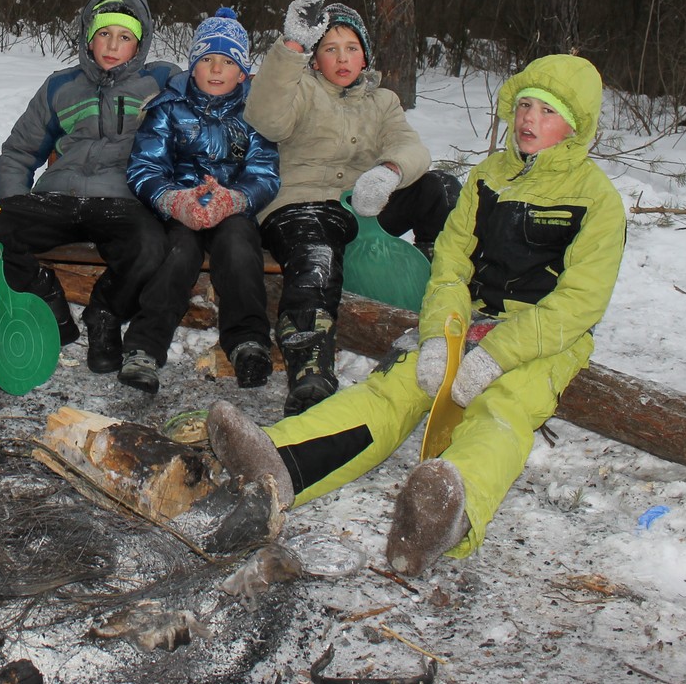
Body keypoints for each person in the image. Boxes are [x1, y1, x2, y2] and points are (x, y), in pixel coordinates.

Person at [208, 54, 626, 577]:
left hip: (540, 336)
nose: (528, 120)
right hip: (466, 316)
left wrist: (496, 354)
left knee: (501, 410)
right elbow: (450, 263)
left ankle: (447, 515)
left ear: (574, 126)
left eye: (546, 111)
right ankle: (281, 460)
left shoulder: (596, 200)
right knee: (393, 386)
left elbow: (581, 302)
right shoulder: (489, 176)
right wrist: (437, 335)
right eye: (523, 106)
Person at [245, 0, 460, 416]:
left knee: (441, 188)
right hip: (303, 204)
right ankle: (310, 362)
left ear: (365, 57)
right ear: (315, 58)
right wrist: (290, 48)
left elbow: (408, 145)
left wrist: (390, 171)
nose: (342, 59)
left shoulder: (383, 101)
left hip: (364, 204)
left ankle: (444, 289)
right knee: (317, 255)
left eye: (352, 48)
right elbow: (265, 119)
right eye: (330, 49)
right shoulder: (299, 88)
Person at [0, 0, 175, 373]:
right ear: (88, 36)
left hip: (122, 201)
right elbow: (18, 153)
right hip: (57, 198)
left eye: (124, 36)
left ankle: (105, 313)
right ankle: (46, 300)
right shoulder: (60, 86)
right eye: (103, 34)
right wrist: (14, 207)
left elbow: (207, 97)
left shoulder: (162, 81)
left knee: (151, 247)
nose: (113, 46)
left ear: (141, 42)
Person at [122, 8, 280, 393]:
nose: (215, 69)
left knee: (240, 249)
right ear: (192, 66)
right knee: (178, 253)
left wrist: (236, 198)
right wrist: (174, 200)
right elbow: (144, 166)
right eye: (206, 59)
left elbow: (265, 173)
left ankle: (247, 342)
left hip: (231, 207)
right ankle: (145, 345)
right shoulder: (168, 107)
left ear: (242, 73)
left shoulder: (256, 114)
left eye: (226, 62)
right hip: (182, 206)